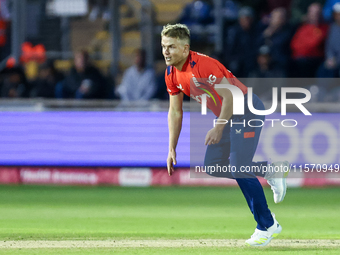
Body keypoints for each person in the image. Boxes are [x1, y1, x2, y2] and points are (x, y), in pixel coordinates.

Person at [162, 23, 290, 247]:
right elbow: (175, 111)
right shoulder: (171, 73)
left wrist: (219, 127)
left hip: (247, 110)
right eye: (163, 46)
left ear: (185, 49)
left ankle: (267, 225)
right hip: (228, 117)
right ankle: (270, 169)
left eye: (171, 47)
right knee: (212, 165)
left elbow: (229, 97)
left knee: (240, 167)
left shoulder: (204, 65)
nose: (165, 52)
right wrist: (172, 147)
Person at [290, 3, 329, 77]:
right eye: (312, 12)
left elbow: (315, 43)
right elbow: (294, 44)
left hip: (315, 60)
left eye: (317, 13)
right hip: (298, 59)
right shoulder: (301, 27)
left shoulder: (325, 28)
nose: (314, 15)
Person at [224, 7, 258, 77]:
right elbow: (229, 51)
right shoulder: (233, 32)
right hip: (238, 63)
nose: (247, 21)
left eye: (249, 19)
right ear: (240, 19)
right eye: (245, 18)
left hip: (251, 63)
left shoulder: (255, 31)